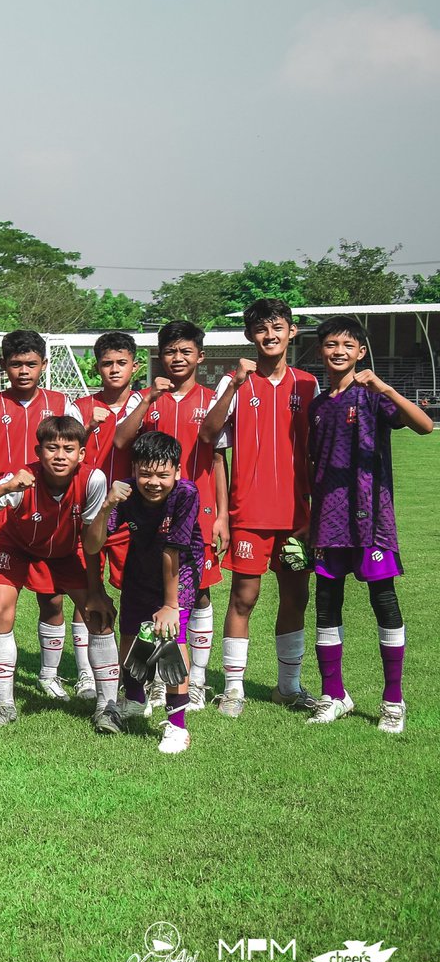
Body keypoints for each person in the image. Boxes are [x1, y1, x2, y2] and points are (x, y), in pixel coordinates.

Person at [305, 316, 433, 733]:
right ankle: (334, 694)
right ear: (322, 351)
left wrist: (384, 387)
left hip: (371, 519)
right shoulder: (319, 406)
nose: (338, 350)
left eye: (347, 344)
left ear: (361, 352)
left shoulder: (374, 397)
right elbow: (313, 465)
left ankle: (393, 701)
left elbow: (425, 425)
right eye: (330, 344)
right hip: (328, 521)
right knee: (326, 605)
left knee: (384, 601)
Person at [199, 299, 319, 719]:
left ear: (292, 332)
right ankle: (233, 689)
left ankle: (288, 688)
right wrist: (233, 383)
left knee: (295, 597)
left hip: (296, 517)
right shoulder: (236, 382)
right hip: (248, 513)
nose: (270, 336)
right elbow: (209, 437)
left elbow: (318, 454)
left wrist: (316, 513)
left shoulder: (307, 384)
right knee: (243, 599)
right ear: (251, 336)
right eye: (262, 329)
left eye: (278, 327)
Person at [0, 415, 112, 727]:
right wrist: (5, 488)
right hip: (17, 546)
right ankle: (4, 705)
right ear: (38, 451)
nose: (59, 455)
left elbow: (91, 540)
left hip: (67, 551)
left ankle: (107, 707)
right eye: (52, 448)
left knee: (98, 615)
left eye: (69, 449)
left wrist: (96, 592)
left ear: (82, 454)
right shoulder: (23, 479)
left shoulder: (93, 480)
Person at [0, 330, 84, 701]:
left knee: (53, 598)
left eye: (31, 364)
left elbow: (78, 451)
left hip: (52, 512)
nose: (24, 370)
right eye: (16, 364)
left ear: (44, 366)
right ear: (4, 366)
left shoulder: (63, 402)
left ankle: (49, 674)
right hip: (2, 516)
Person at [115, 321, 228, 712]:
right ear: (159, 356)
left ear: (200, 356)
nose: (177, 359)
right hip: (152, 507)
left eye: (185, 352)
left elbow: (217, 458)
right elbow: (120, 441)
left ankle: (195, 681)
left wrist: (222, 516)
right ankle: (152, 682)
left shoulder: (212, 398)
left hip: (199, 505)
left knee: (198, 592)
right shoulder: (143, 398)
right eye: (169, 352)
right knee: (151, 592)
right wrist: (147, 399)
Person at [84, 431, 203, 754]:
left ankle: (178, 725)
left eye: (163, 474)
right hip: (139, 568)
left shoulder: (186, 494)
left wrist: (169, 605)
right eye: (145, 473)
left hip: (180, 575)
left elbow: (173, 551)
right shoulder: (125, 493)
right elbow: (92, 544)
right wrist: (108, 505)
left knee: (171, 640)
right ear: (134, 469)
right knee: (131, 636)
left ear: (177, 472)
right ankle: (135, 700)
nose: (153, 482)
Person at [73, 330, 139, 700]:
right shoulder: (80, 406)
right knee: (86, 592)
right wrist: (87, 426)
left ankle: (138, 675)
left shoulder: (148, 403)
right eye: (106, 363)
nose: (113, 369)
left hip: (132, 517)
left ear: (134, 365)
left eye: (121, 363)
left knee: (134, 593)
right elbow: (63, 451)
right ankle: (85, 675)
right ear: (96, 366)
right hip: (87, 514)